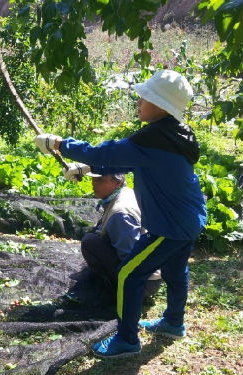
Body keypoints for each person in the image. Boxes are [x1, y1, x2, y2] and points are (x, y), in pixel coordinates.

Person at [34, 70, 207, 358]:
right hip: (189, 218)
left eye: (146, 96)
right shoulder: (174, 135)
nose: (139, 100)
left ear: (162, 106)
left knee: (128, 274)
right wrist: (85, 170)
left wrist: (59, 144)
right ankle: (174, 322)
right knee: (176, 272)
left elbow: (105, 153)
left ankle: (127, 339)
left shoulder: (153, 140)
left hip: (169, 226)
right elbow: (131, 161)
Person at [63, 169, 161, 299]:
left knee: (90, 242)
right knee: (95, 236)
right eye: (93, 178)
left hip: (143, 283)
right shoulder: (126, 192)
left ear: (117, 183)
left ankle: (118, 290)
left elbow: (131, 258)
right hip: (150, 275)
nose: (94, 183)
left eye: (100, 180)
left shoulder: (120, 214)